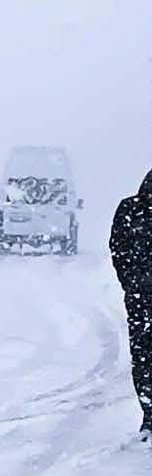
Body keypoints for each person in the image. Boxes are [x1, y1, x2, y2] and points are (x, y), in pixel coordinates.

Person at [111, 169, 152, 436]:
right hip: (140, 298)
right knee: (144, 356)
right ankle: (149, 416)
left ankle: (149, 415)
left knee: (143, 357)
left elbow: (118, 249)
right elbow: (118, 249)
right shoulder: (131, 209)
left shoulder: (131, 209)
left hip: (140, 297)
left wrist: (132, 283)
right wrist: (132, 283)